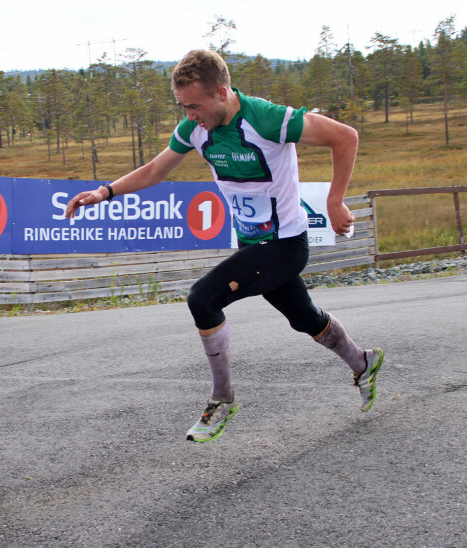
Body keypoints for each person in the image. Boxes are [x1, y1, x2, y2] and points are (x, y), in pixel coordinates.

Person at [65, 49, 383, 443]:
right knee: (304, 318)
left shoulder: (266, 118)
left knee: (203, 299)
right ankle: (363, 362)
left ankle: (222, 399)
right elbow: (155, 170)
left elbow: (345, 136)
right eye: (183, 107)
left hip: (284, 245)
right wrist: (104, 192)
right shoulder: (195, 129)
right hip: (252, 244)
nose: (190, 116)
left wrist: (335, 201)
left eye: (195, 106)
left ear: (221, 93)